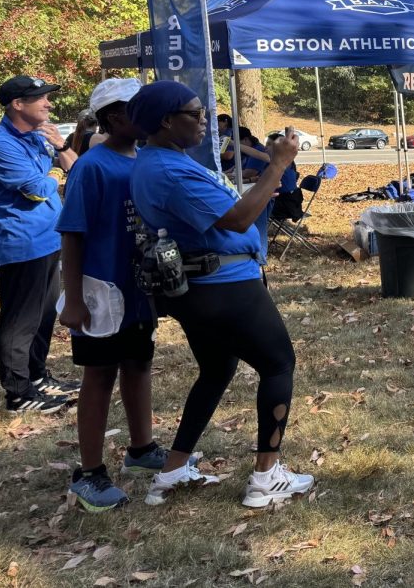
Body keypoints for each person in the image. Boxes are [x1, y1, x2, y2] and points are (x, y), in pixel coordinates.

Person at [126, 82, 314, 508]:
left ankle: (173, 469)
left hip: (205, 287)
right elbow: (238, 218)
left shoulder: (164, 161)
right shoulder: (169, 171)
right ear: (166, 121)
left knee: (216, 370)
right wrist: (278, 165)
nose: (204, 120)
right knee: (279, 363)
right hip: (223, 287)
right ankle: (267, 476)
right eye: (195, 114)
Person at [58, 78, 178, 512]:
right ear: (113, 117)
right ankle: (89, 473)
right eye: (137, 109)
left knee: (139, 363)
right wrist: (73, 301)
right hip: (101, 294)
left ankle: (142, 449)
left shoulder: (146, 159)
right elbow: (72, 236)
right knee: (99, 375)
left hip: (138, 290)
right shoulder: (92, 167)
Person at [0, 75, 80, 413]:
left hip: (50, 237)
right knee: (19, 321)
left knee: (44, 315)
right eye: (40, 98)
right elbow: (38, 189)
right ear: (17, 105)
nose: (48, 103)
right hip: (23, 242)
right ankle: (18, 393)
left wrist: (62, 149)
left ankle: (38, 377)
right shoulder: (1, 144)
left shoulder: (40, 136)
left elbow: (76, 171)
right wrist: (56, 174)